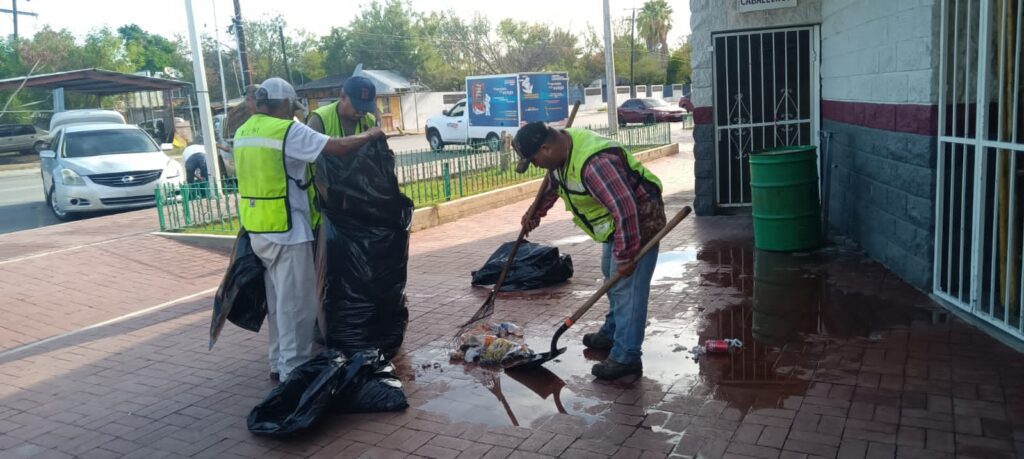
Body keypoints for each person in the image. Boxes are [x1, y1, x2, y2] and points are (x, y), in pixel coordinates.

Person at [234, 77, 384, 382]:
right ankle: (295, 372)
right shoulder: (286, 130)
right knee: (297, 306)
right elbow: (335, 147)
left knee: (277, 304)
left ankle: (278, 362)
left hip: (257, 228)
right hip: (286, 229)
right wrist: (369, 134)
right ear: (286, 104)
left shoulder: (244, 130)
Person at [514, 121, 666, 380]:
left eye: (535, 159)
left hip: (639, 220)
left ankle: (626, 356)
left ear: (547, 148)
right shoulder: (560, 156)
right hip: (614, 220)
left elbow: (625, 208)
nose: (535, 166)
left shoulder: (595, 165)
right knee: (611, 277)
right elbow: (554, 184)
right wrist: (534, 213)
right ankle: (612, 331)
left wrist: (627, 255)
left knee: (628, 288)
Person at [306, 75, 378, 138]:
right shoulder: (319, 120)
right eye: (357, 106)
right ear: (343, 97)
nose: (361, 112)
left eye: (365, 108)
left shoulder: (370, 121)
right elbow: (306, 150)